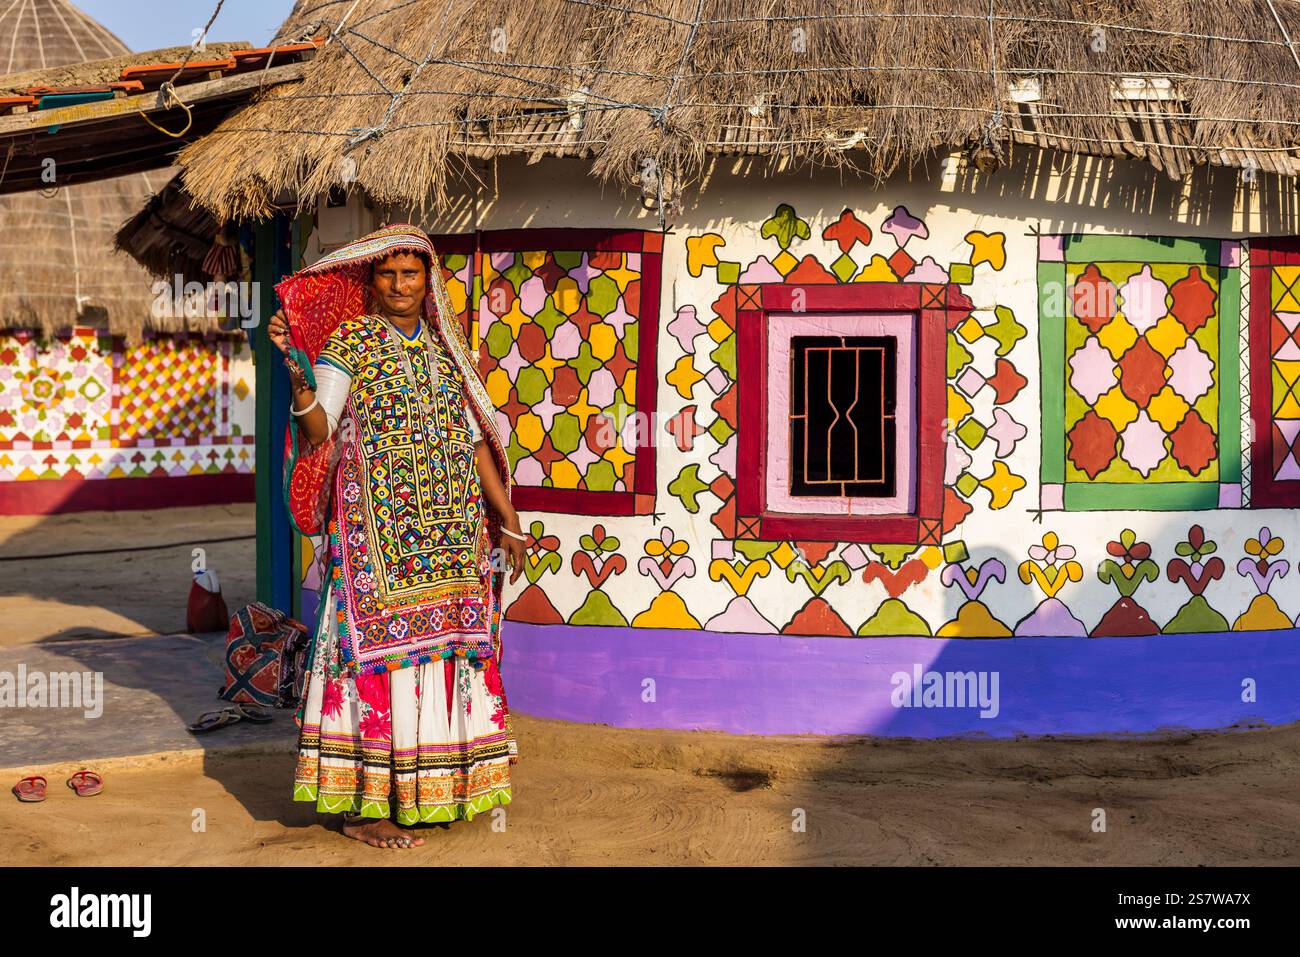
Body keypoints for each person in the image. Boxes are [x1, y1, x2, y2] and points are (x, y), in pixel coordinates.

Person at [267, 224, 525, 849]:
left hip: (454, 537)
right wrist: (297, 376)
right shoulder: (348, 344)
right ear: (372, 281)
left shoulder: (445, 350)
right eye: (389, 275)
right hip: (376, 542)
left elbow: (474, 442)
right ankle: (362, 806)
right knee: (369, 657)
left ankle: (436, 789)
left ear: (427, 279)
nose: (401, 285)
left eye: (412, 274)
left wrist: (509, 519)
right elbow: (320, 428)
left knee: (449, 651)